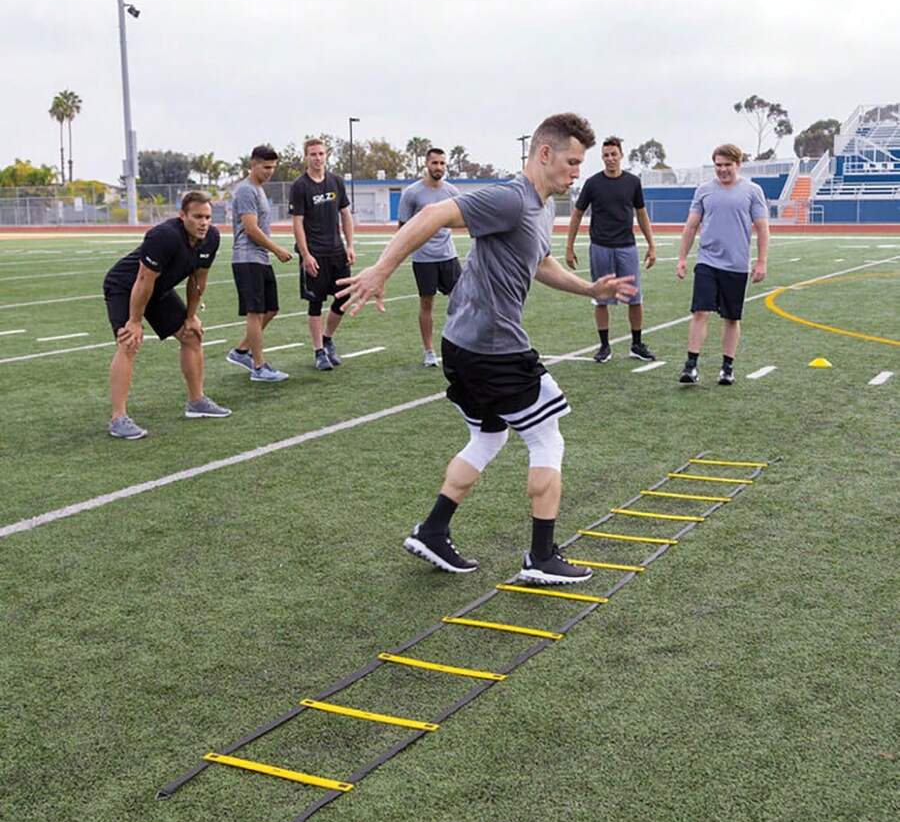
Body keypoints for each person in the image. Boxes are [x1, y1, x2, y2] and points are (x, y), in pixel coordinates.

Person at [338, 113, 637, 586]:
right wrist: (381, 270)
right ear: (544, 153)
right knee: (547, 438)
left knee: (489, 436)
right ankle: (541, 556)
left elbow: (540, 261)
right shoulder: (511, 198)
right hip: (492, 348)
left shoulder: (543, 208)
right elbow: (433, 215)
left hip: (464, 344)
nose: (577, 172)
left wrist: (589, 289)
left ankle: (433, 531)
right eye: (572, 162)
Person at [102, 191, 231, 439]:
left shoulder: (211, 238)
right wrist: (135, 321)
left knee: (192, 335)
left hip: (158, 289)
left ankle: (196, 402)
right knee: (129, 341)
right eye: (197, 217)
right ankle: (118, 418)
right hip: (125, 286)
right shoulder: (164, 236)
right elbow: (143, 280)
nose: (204, 223)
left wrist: (191, 316)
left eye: (207, 217)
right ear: (182, 216)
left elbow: (198, 280)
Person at [675, 143, 769, 385]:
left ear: (738, 165)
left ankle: (727, 368)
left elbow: (762, 228)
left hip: (737, 264)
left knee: (731, 318)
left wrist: (761, 262)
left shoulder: (753, 191)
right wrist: (682, 258)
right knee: (700, 311)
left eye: (728, 165)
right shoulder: (704, 190)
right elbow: (691, 226)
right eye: (718, 165)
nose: (723, 169)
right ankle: (691, 365)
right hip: (707, 261)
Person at [565, 135, 657, 363]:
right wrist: (569, 246)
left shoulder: (632, 182)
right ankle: (604, 346)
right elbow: (577, 214)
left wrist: (651, 245)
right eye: (606, 155)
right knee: (601, 297)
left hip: (627, 247)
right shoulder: (593, 183)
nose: (610, 158)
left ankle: (636, 345)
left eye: (614, 154)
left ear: (621, 155)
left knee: (634, 298)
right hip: (600, 247)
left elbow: (641, 214)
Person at [226, 145, 293, 382]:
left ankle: (241, 351)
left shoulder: (258, 189)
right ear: (253, 165)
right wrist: (277, 250)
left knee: (271, 309)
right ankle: (259, 367)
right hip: (247, 258)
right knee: (255, 313)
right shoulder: (246, 190)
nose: (270, 172)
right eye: (266, 167)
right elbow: (251, 229)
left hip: (260, 259)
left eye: (273, 167)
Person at [289, 139, 356, 371]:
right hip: (314, 254)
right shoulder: (300, 186)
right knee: (315, 303)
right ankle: (318, 351)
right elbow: (297, 223)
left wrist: (350, 245)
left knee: (344, 298)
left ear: (326, 155)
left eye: (321, 153)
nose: (318, 158)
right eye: (313, 154)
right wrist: (306, 255)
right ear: (306, 157)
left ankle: (327, 339)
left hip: (337, 252)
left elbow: (345, 214)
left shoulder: (336, 181)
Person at [397, 147, 462, 367]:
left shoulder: (452, 191)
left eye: (442, 163)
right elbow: (403, 228)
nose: (439, 167)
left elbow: (464, 218)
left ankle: (460, 345)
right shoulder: (412, 193)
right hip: (423, 259)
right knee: (427, 304)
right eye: (435, 163)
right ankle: (429, 351)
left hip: (448, 256)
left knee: (461, 300)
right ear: (427, 164)